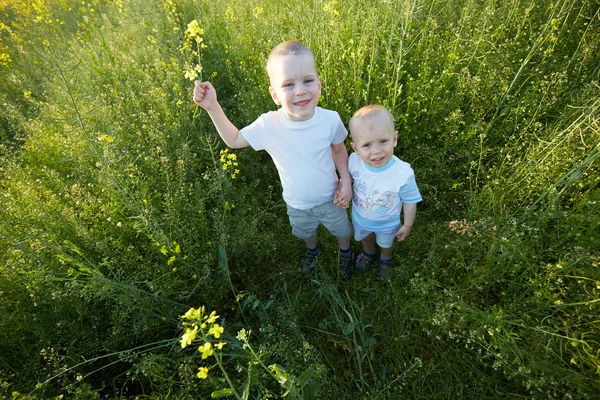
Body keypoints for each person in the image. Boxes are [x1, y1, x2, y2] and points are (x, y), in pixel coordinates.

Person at [193, 40, 355, 279]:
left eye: (308, 81)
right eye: (288, 84)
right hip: (296, 203)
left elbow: (339, 150)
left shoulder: (330, 120)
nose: (300, 90)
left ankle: (346, 251)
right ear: (275, 94)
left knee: (341, 230)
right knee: (304, 232)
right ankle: (313, 249)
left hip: (331, 198)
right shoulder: (269, 125)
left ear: (320, 84)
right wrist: (212, 106)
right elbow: (235, 139)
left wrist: (346, 181)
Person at [346, 105, 422, 280]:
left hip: (388, 223)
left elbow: (410, 200)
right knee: (366, 238)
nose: (376, 150)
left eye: (383, 141)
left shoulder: (403, 173)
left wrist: (408, 225)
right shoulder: (354, 162)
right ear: (355, 149)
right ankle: (368, 252)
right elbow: (349, 179)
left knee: (386, 243)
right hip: (361, 217)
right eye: (366, 145)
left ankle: (386, 258)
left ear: (394, 138)